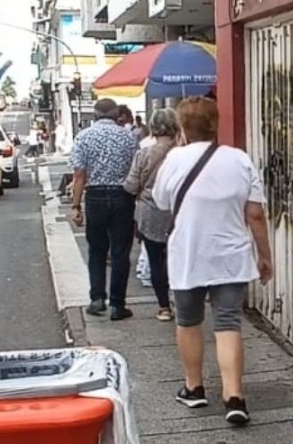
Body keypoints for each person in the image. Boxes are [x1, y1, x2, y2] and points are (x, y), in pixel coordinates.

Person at [152, 96, 273, 425]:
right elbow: (256, 215)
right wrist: (265, 256)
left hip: (188, 253)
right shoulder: (239, 160)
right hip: (230, 255)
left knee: (188, 321)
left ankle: (194, 389)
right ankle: (234, 397)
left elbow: (162, 202)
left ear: (182, 128)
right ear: (215, 123)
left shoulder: (174, 159)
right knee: (228, 322)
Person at [70, 98, 141, 321]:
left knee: (97, 250)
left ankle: (97, 298)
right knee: (121, 252)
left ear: (95, 114)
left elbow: (79, 175)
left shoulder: (83, 137)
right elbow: (135, 170)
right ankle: (118, 304)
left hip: (96, 196)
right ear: (116, 114)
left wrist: (76, 205)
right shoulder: (129, 137)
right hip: (123, 196)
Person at [124, 108, 180, 321]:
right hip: (179, 212)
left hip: (150, 212)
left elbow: (131, 186)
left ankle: (164, 307)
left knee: (156, 260)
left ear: (154, 128)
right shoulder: (184, 152)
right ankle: (186, 302)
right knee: (179, 259)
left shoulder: (144, 154)